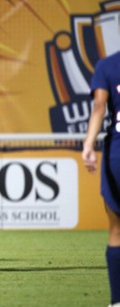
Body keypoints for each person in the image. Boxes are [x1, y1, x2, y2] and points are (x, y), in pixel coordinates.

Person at [82, 51, 120, 306]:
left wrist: (88, 145)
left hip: (117, 154)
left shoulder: (108, 65)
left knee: (116, 230)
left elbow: (99, 106)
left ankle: (117, 301)